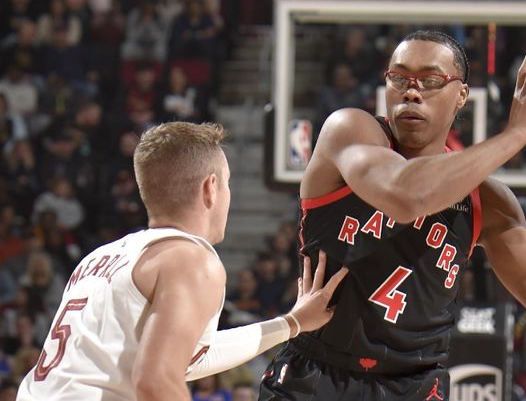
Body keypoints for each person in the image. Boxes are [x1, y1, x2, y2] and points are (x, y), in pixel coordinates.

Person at [259, 30, 526, 400]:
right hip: (316, 376)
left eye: (431, 80)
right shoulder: (350, 131)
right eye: (399, 77)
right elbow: (406, 196)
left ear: (462, 97)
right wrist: (517, 133)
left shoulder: (486, 199)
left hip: (413, 385)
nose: (411, 90)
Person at [17, 121, 347, 401]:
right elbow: (156, 381)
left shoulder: (99, 258)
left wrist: (291, 324)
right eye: (228, 183)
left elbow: (187, 358)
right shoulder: (191, 259)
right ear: (211, 187)